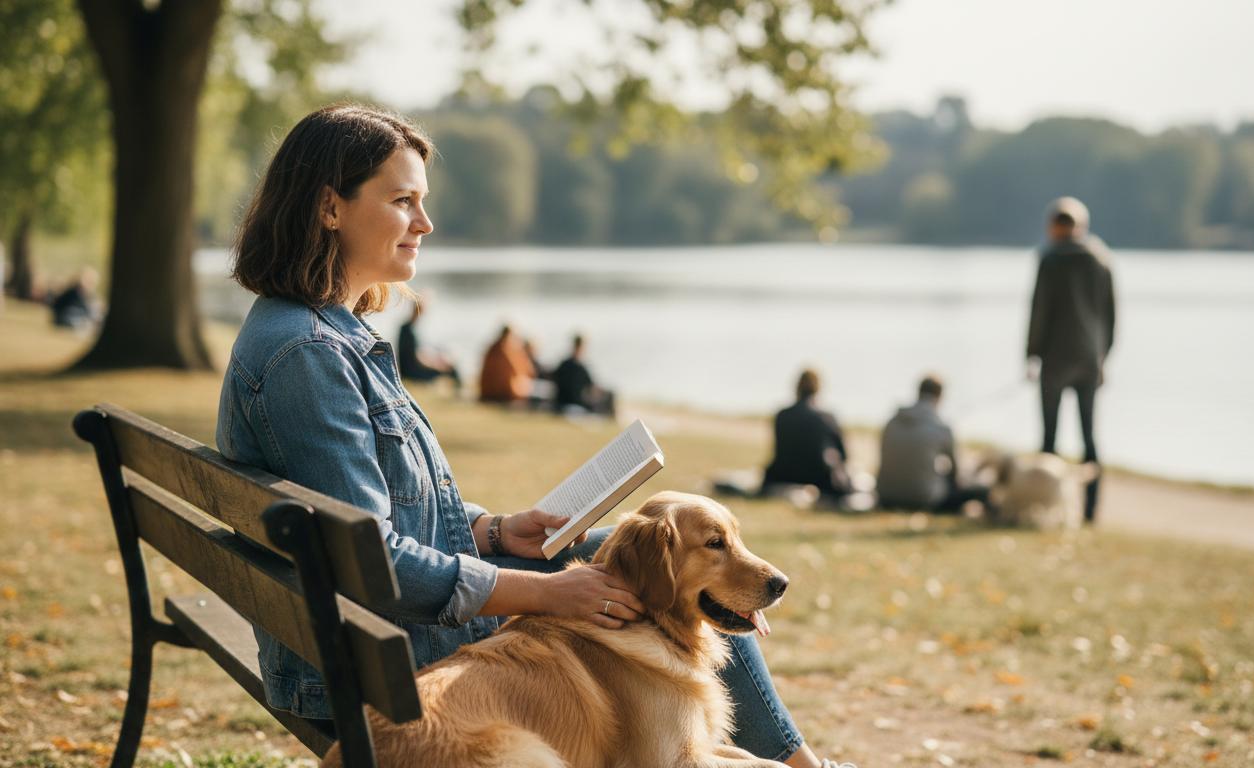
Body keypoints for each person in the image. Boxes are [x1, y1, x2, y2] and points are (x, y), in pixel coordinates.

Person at [216, 104, 851, 768]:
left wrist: (495, 530)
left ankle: (758, 756)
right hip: (392, 654)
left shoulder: (322, 335)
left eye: (422, 202)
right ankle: (786, 762)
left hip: (378, 627)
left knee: (643, 553)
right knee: (663, 562)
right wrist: (547, 591)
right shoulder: (308, 355)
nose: (425, 224)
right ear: (330, 208)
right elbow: (373, 558)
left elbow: (374, 508)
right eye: (403, 201)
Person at [1026, 196, 1115, 523]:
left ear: (1054, 226)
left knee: (1049, 439)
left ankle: (1046, 505)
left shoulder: (1050, 260)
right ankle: (1091, 511)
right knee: (1089, 437)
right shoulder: (1101, 259)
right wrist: (1104, 355)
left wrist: (1031, 354)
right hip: (1090, 359)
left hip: (1055, 359)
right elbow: (1111, 315)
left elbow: (1039, 311)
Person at [876, 375, 990, 513]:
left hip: (886, 497)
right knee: (983, 491)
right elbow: (955, 473)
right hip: (923, 500)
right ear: (940, 396)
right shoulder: (941, 428)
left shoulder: (892, 422)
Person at [761, 369, 853, 502]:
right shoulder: (827, 417)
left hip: (783, 475)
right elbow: (844, 455)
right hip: (819, 479)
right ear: (818, 389)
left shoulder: (782, 415)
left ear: (797, 387)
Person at [396, 298, 462, 394]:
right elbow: (416, 358)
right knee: (451, 368)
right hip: (411, 373)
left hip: (410, 369)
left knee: (446, 363)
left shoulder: (408, 327)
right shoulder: (408, 330)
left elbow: (416, 353)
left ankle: (458, 390)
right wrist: (436, 365)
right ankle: (459, 391)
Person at [552, 333, 617, 416]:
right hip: (575, 402)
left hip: (567, 402)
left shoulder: (565, 364)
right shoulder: (577, 367)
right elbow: (591, 387)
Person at [478, 324, 535, 404]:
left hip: (489, 391)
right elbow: (526, 371)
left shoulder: (494, 348)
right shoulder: (504, 350)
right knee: (528, 389)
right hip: (498, 393)